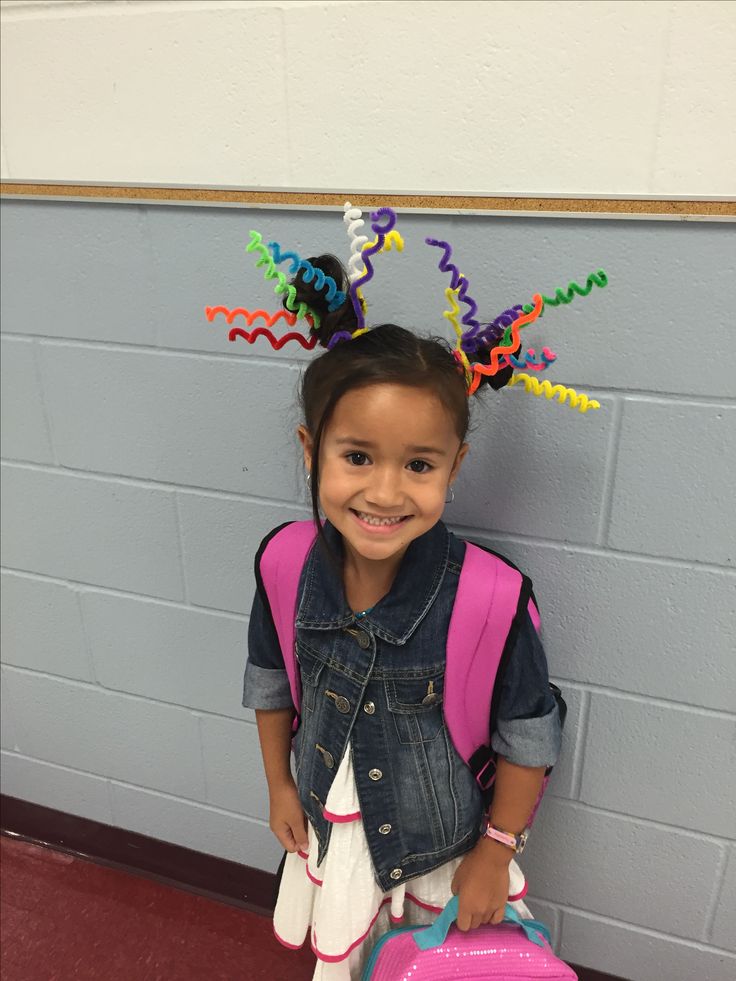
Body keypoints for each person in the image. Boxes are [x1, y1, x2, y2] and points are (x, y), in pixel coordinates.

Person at [242, 253, 564, 980]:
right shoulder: (285, 565)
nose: (385, 492)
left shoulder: (489, 596)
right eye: (357, 455)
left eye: (419, 465)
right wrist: (280, 787)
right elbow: (271, 683)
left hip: (440, 859)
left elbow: (530, 735)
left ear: (455, 465)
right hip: (334, 836)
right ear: (311, 449)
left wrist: (497, 848)